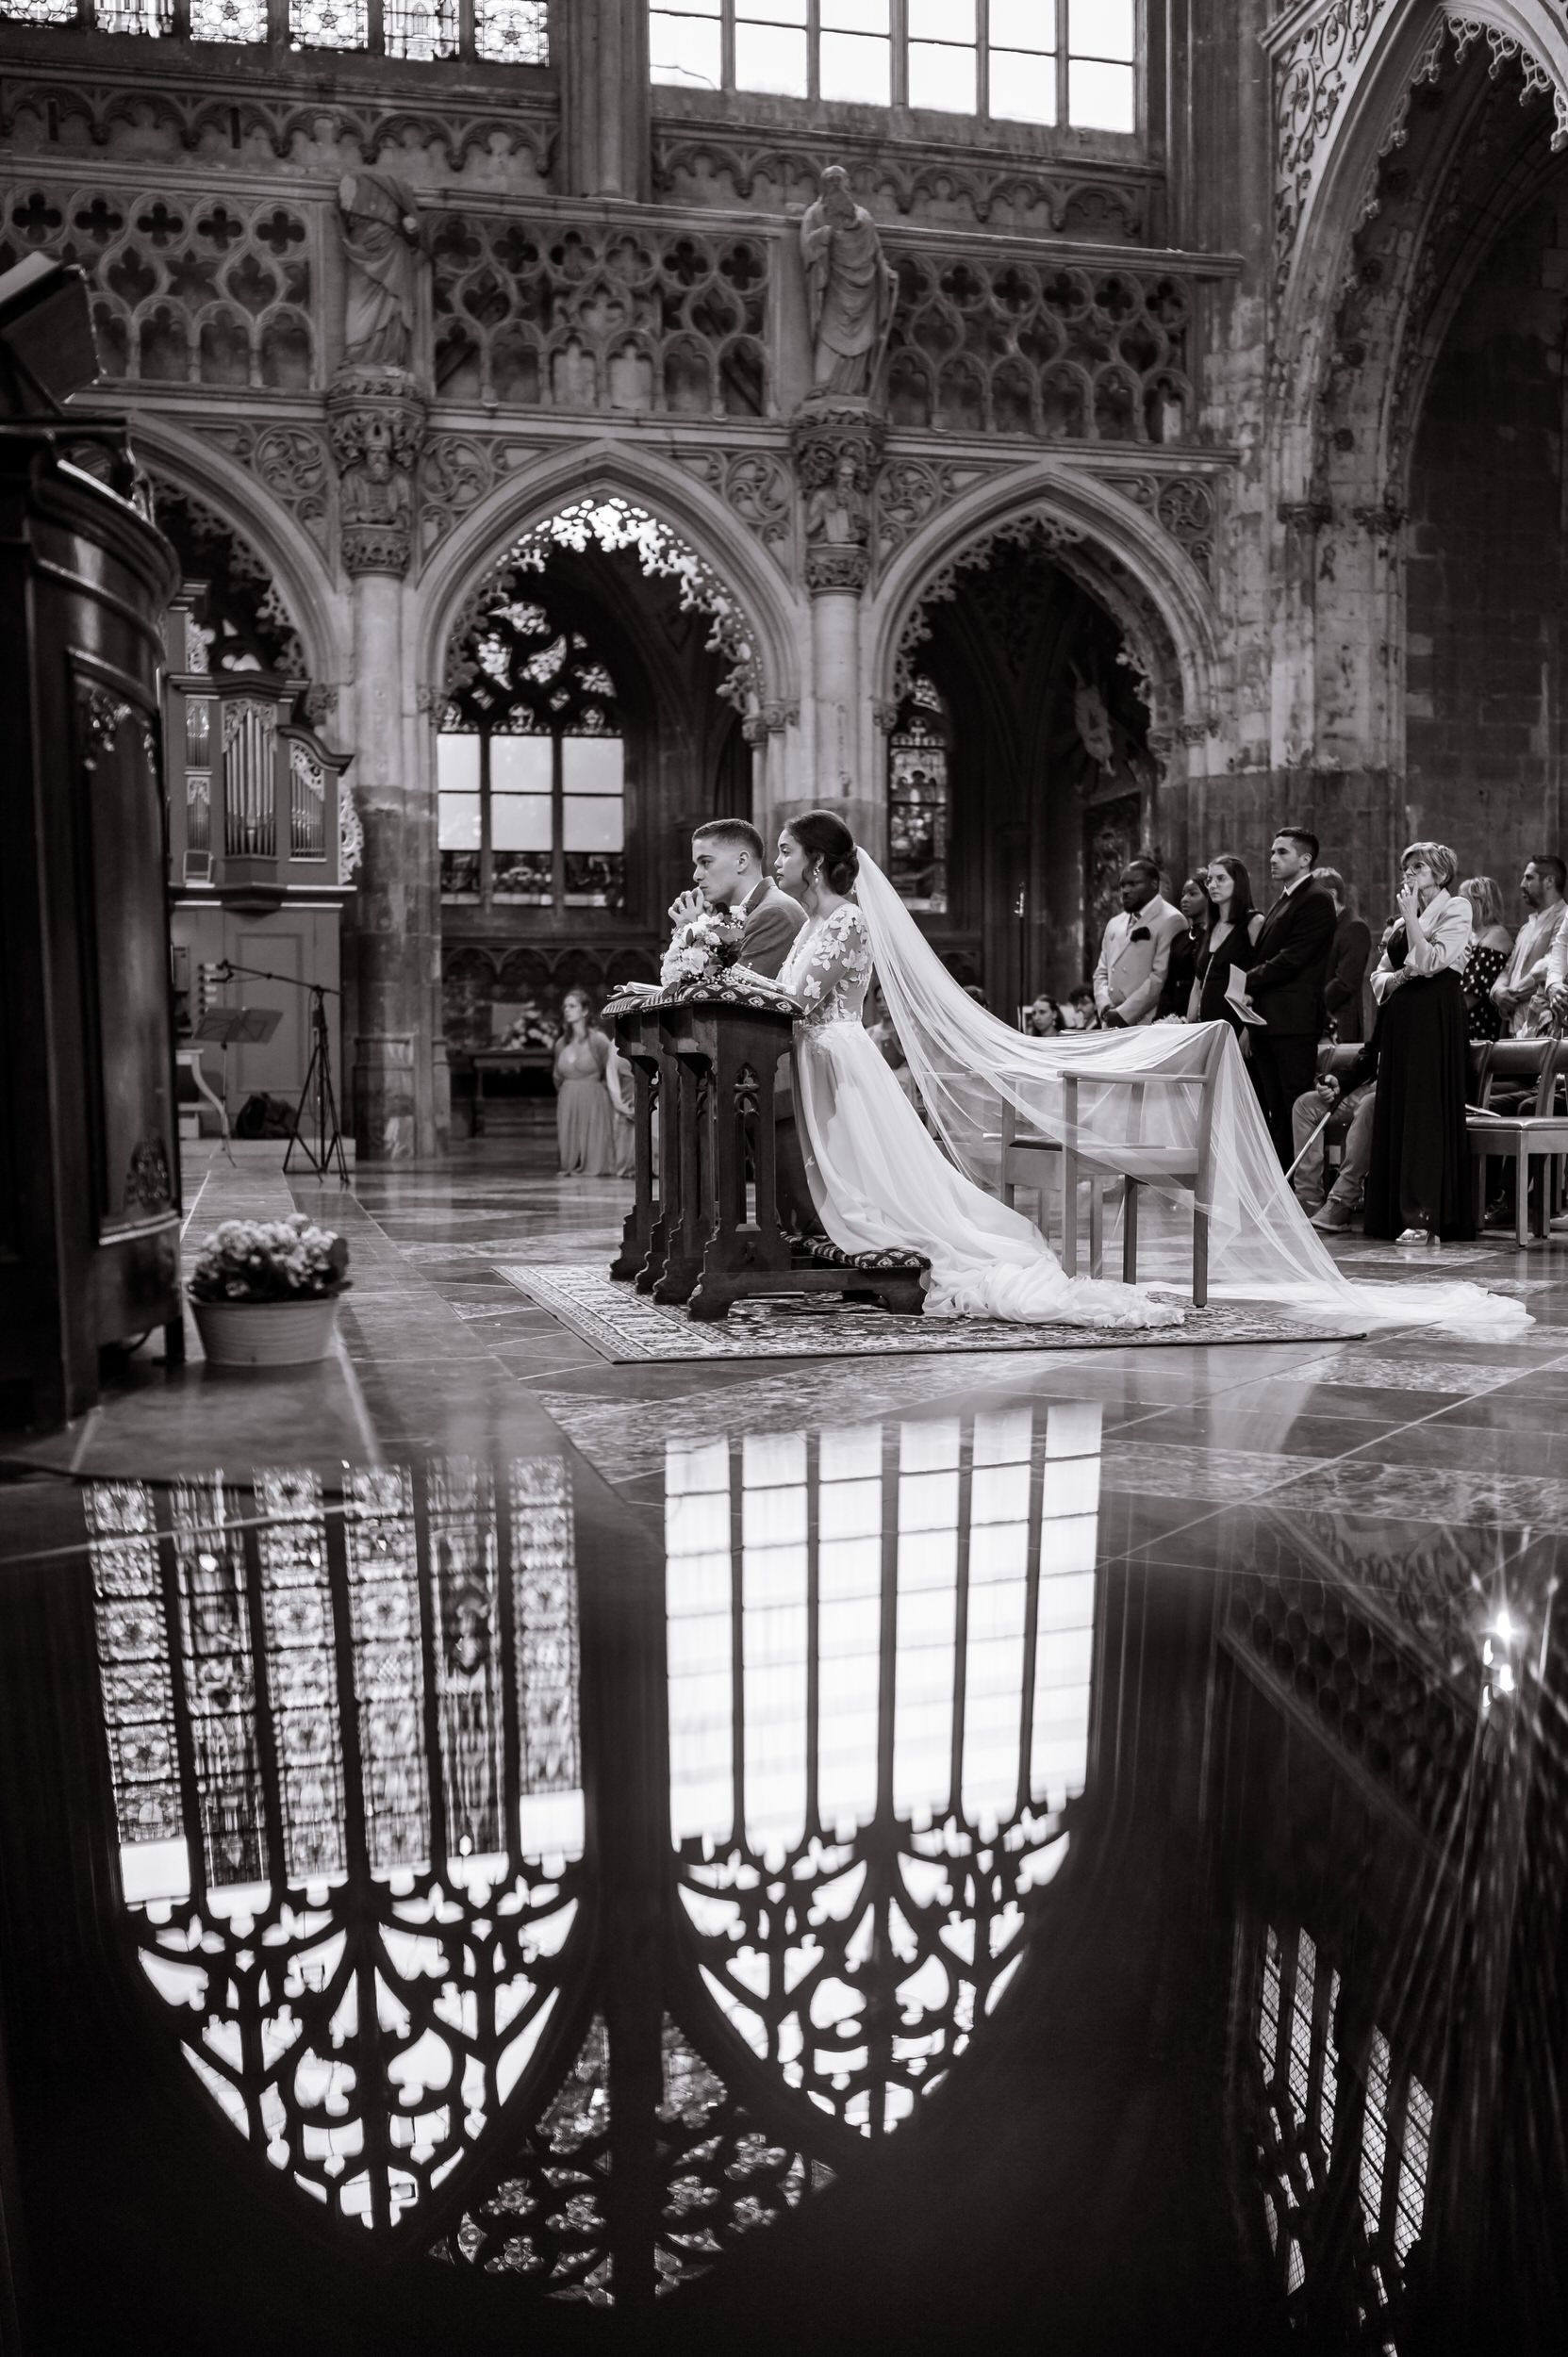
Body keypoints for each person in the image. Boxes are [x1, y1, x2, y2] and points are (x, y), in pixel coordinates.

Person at [720, 811, 1526, 1335]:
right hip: (819, 1057)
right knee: (838, 1181)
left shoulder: (846, 919)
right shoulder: (815, 917)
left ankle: (856, 1251)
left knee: (873, 1186)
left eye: (787, 850)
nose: (779, 859)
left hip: (831, 1054)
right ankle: (823, 1247)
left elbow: (796, 999)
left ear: (820, 863)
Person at [1363, 841, 1475, 1244]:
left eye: (1418, 867)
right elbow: (1380, 973)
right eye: (1406, 867)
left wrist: (1411, 920)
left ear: (1441, 874)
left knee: (1424, 1111)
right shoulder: (1399, 919)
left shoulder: (1457, 907)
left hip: (1434, 1015)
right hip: (1401, 1017)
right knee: (1398, 1106)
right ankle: (1392, 1211)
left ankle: (1424, 1212)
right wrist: (1394, 979)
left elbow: (1431, 962)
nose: (1408, 874)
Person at [1235, 829, 1337, 1167]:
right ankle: (1281, 1187)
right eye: (1272, 852)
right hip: (1268, 1022)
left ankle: (1303, 1193)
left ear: (1305, 859)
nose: (1272, 859)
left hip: (1293, 1022)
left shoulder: (1316, 898)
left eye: (1282, 852)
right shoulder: (1285, 898)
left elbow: (1294, 958)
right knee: (1274, 1110)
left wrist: (1246, 981)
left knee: (1294, 1107)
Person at [668, 818, 806, 982]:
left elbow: (737, 998)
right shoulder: (742, 913)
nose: (696, 875)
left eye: (706, 862)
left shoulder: (774, 913)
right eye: (697, 864)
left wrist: (693, 935)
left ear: (741, 861)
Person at [1291, 1018, 1380, 1229]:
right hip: (1371, 1084)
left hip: (1400, 1089)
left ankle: (1342, 1200)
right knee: (1305, 1105)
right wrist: (1338, 1080)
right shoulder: (1389, 1004)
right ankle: (1308, 1200)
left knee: (1369, 1105)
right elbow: (1368, 1057)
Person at [1091, 858, 1186, 1028]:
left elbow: (1160, 977)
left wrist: (1123, 1013)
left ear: (1154, 884)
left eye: (1134, 884)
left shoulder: (1172, 919)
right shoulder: (1114, 922)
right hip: (1110, 1020)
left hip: (1144, 1022)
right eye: (1122, 885)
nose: (1125, 891)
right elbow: (1101, 973)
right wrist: (1105, 1006)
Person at [1488, 856, 1566, 1036]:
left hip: (1542, 1026)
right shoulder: (1526, 927)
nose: (1522, 884)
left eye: (1529, 878)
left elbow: (1552, 964)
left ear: (1549, 881)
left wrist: (1512, 994)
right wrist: (1497, 992)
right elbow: (1508, 969)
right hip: (1514, 1024)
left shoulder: (1563, 918)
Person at [1188, 855, 1263, 1032]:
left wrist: (1250, 1030)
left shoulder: (1253, 922)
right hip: (1206, 1028)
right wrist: (1190, 1026)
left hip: (1236, 1025)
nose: (1212, 885)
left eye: (1220, 879)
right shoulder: (1211, 927)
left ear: (1238, 882)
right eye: (1209, 880)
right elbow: (1198, 983)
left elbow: (1263, 977)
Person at [553, 988, 619, 1177]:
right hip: (567, 1097)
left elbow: (610, 1070)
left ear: (584, 1011)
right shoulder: (561, 1043)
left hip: (593, 1097)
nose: (567, 1010)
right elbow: (557, 1075)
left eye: (572, 1006)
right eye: (565, 1006)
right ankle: (571, 1164)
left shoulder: (598, 1040)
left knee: (593, 1142)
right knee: (569, 1140)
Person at [1313, 867, 1372, 1042]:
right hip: (1318, 1022)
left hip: (1340, 1023)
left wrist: (1312, 1007)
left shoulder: (1354, 927)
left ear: (1331, 894)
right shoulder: (1324, 927)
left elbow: (1345, 983)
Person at [1457, 876, 1513, 1041]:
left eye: (1462, 899)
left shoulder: (1496, 935)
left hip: (1478, 1031)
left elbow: (1473, 992)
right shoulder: (1472, 936)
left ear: (1479, 902)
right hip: (1461, 1024)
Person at [1158, 875, 1210, 1019]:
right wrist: (1161, 1018)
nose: (1185, 899)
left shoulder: (1214, 938)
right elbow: (1169, 984)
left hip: (1200, 1013)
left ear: (1209, 897)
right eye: (1183, 894)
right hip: (1176, 1013)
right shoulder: (1179, 939)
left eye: (1192, 894)